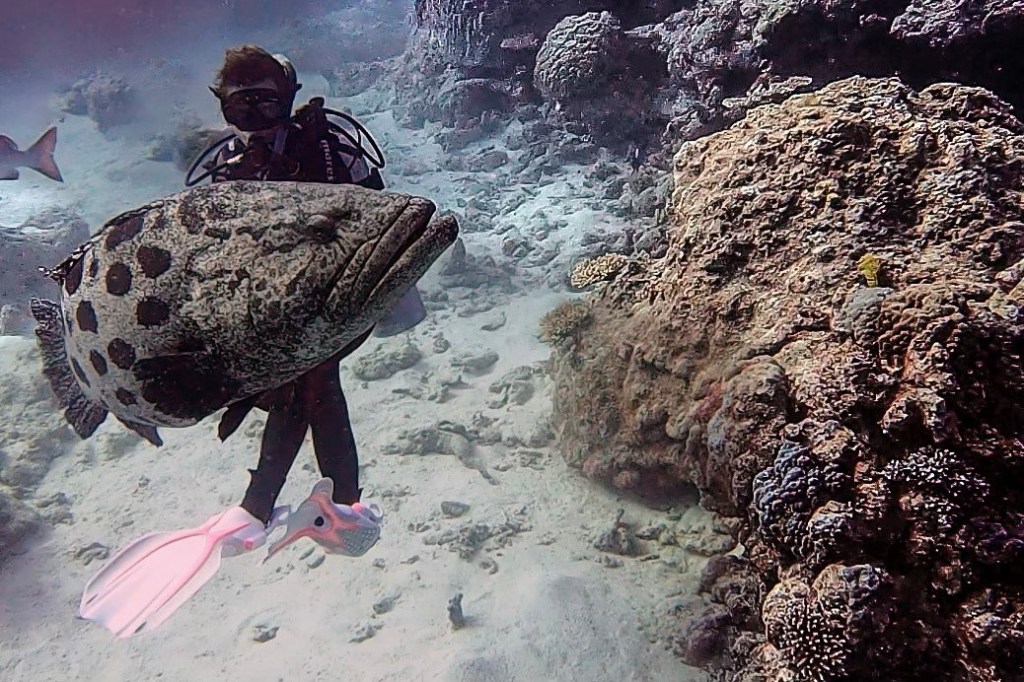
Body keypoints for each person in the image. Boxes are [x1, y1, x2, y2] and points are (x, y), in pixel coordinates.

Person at [77, 46, 424, 639]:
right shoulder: (219, 174)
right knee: (308, 379)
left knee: (310, 376)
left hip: (327, 306)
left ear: (289, 94)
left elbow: (378, 220)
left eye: (266, 97)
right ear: (224, 108)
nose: (256, 113)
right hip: (262, 322)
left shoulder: (333, 151)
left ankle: (264, 511)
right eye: (240, 103)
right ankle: (335, 507)